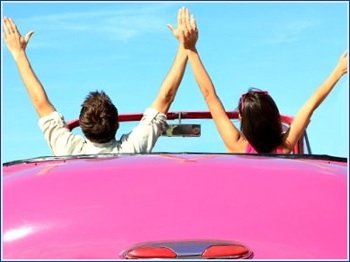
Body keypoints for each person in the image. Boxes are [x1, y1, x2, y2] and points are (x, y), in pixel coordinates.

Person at [3, 10, 189, 156]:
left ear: (83, 128)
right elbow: (166, 97)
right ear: (116, 124)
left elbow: (40, 103)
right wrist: (186, 46)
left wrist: (19, 54)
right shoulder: (130, 150)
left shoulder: (70, 151)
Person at [174, 8, 348, 154]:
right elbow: (311, 105)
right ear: (274, 116)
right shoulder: (284, 146)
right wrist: (338, 71)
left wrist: (190, 48)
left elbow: (209, 95)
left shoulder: (236, 145)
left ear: (243, 119)